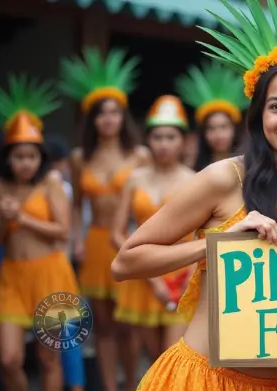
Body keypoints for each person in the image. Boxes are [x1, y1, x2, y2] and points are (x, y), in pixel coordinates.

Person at [110, 0, 277, 389]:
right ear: (259, 117)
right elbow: (125, 263)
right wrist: (216, 245)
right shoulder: (224, 178)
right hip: (200, 379)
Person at [58, 47, 150, 391]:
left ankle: (132, 384)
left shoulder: (139, 155)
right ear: (92, 119)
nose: (108, 119)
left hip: (129, 240)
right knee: (105, 327)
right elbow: (76, 204)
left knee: (129, 325)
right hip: (96, 242)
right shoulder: (80, 157)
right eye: (101, 114)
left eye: (114, 112)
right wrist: (76, 242)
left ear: (122, 117)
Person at [0, 75, 78, 391]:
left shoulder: (51, 183)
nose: (26, 163)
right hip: (12, 278)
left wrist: (22, 218)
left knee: (48, 359)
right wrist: (3, 221)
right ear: (8, 158)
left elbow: (62, 230)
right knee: (8, 359)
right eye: (19, 156)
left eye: (32, 156)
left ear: (40, 158)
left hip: (51, 274)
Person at [110, 95, 195, 389]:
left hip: (183, 278)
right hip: (144, 277)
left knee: (173, 359)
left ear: (183, 141)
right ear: (148, 139)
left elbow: (204, 237)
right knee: (150, 356)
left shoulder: (195, 180)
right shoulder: (135, 179)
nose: (164, 144)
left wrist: (192, 276)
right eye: (157, 136)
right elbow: (117, 233)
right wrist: (152, 277)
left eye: (171, 137)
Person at [45, 134, 86, 391]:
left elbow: (65, 230)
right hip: (59, 264)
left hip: (60, 266)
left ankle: (76, 385)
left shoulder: (61, 187)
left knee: (66, 333)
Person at [176, 61, 248, 171]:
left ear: (234, 129)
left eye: (224, 127)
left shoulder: (247, 166)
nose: (218, 134)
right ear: (203, 132)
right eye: (211, 128)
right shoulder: (193, 168)